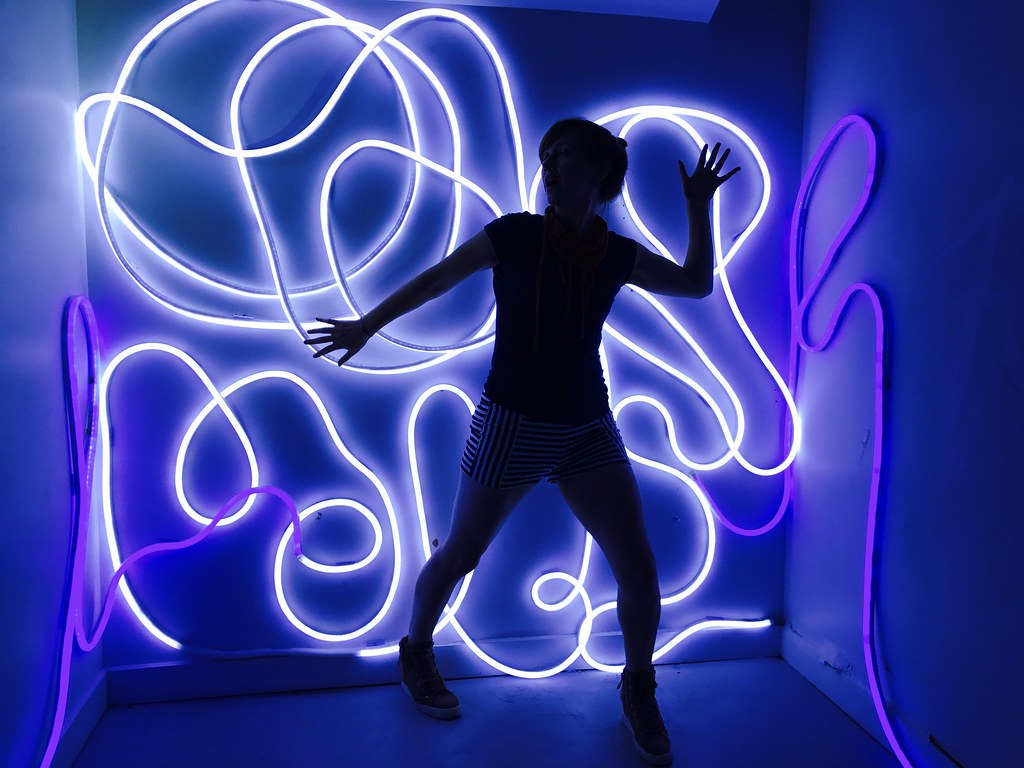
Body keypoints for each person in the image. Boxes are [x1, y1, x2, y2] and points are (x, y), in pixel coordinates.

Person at [306, 118, 739, 766]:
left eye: (562, 153)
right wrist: (367, 325)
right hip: (510, 422)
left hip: (588, 426)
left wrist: (698, 206)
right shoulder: (516, 234)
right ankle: (415, 651)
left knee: (639, 567)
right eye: (545, 155)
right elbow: (437, 279)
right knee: (460, 554)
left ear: (600, 170)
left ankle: (639, 687)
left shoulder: (615, 254)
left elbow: (695, 281)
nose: (549, 165)